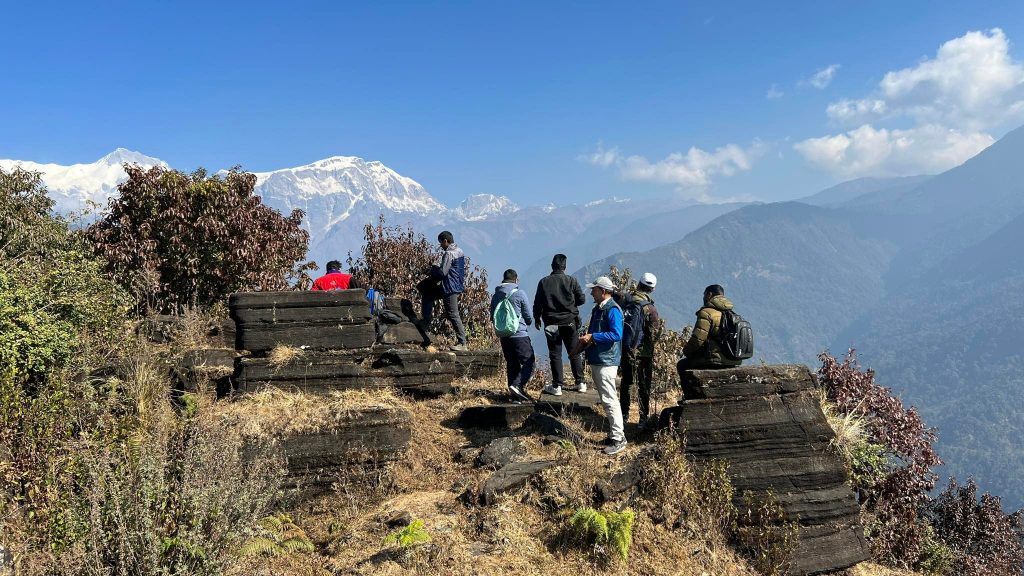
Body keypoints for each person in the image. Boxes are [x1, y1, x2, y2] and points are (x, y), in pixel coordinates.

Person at [578, 276, 627, 455]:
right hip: (600, 358)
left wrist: (593, 337)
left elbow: (616, 334)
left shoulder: (612, 310)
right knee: (607, 399)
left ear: (604, 291)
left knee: (609, 399)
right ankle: (615, 434)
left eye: (595, 289)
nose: (592, 292)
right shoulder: (599, 309)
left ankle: (618, 438)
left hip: (607, 360)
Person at [677, 284, 743, 398]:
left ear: (709, 295)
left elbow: (698, 339)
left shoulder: (707, 313)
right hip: (733, 360)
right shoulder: (732, 314)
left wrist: (687, 351)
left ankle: (689, 397)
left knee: (682, 365)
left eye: (704, 294)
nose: (703, 297)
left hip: (713, 360)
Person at [533, 254, 586, 396]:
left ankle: (557, 386)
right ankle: (580, 382)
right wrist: (570, 303)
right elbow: (582, 299)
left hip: (551, 323)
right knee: (574, 352)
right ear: (565, 267)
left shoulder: (544, 282)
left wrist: (537, 318)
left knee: (555, 354)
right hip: (570, 322)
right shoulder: (571, 281)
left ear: (552, 266)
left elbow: (537, 303)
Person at [617, 272, 661, 428]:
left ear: (638, 284)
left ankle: (623, 415)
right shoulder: (650, 309)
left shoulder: (626, 301)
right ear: (653, 289)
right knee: (643, 385)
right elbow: (654, 333)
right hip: (643, 353)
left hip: (626, 348)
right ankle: (643, 418)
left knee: (626, 383)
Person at [490, 269, 535, 403]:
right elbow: (528, 317)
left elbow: (492, 316)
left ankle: (515, 396)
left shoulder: (495, 295)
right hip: (519, 335)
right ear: (516, 280)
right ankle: (517, 385)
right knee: (529, 362)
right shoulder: (519, 293)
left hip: (504, 336)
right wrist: (527, 322)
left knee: (512, 363)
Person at [420, 231, 468, 351]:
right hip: (455, 285)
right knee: (428, 295)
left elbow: (442, 273)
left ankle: (462, 343)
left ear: (445, 241)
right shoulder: (459, 251)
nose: (441, 245)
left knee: (453, 314)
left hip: (449, 287)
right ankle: (425, 323)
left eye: (441, 243)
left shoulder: (449, 254)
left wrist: (432, 270)